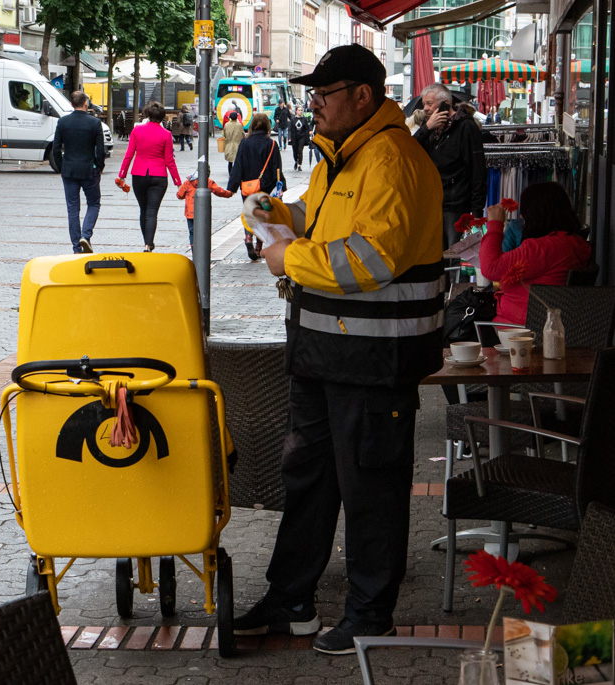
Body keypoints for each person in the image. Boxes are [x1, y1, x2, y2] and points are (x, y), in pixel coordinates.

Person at [234, 44, 444, 655]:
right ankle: (291, 598)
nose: (314, 105)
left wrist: (286, 255)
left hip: (375, 360)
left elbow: (372, 259)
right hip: (326, 351)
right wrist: (282, 214)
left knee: (371, 487)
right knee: (308, 478)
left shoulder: (393, 160)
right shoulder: (342, 156)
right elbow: (325, 222)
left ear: (362, 96)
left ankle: (370, 613)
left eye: (324, 95)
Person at [480, 182, 591, 324]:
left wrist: (495, 224)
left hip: (518, 332)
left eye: (525, 212)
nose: (521, 216)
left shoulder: (544, 249)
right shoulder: (570, 243)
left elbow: (490, 268)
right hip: (539, 326)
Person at [414, 83, 486, 248]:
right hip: (432, 203)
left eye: (429, 104)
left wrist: (476, 212)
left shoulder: (465, 126)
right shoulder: (430, 127)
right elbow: (410, 153)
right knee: (434, 253)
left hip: (456, 205)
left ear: (445, 102)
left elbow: (477, 170)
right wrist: (426, 129)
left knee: (454, 256)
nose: (425, 108)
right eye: (424, 104)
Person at [117, 101, 181, 252]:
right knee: (152, 211)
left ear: (147, 114)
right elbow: (169, 160)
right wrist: (177, 182)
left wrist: (122, 175)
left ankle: (146, 241)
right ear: (162, 117)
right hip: (158, 176)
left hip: (139, 174)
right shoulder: (166, 134)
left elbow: (129, 155)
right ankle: (148, 244)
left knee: (143, 210)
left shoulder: (137, 131)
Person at [52, 91, 105, 253]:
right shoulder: (95, 123)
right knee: (94, 203)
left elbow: (56, 148)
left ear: (71, 104)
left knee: (73, 209)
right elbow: (100, 150)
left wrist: (62, 167)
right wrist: (99, 167)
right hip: (89, 170)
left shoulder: (63, 122)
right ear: (86, 103)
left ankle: (76, 246)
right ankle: (86, 235)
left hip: (69, 170)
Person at [227, 112, 284, 261]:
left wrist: (232, 187)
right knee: (263, 216)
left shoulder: (245, 143)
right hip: (265, 187)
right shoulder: (271, 144)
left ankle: (247, 237)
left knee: (249, 212)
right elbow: (277, 168)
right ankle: (258, 247)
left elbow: (237, 166)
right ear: (267, 126)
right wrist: (281, 186)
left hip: (247, 186)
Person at [176, 170, 233, 250]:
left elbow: (180, 195)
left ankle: (194, 249)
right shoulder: (208, 182)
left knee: (192, 232)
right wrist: (229, 194)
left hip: (190, 213)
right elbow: (218, 191)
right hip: (202, 213)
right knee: (203, 232)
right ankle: (202, 250)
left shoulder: (188, 182)